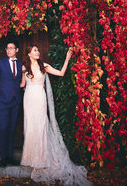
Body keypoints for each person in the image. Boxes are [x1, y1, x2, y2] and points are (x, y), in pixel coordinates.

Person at [20, 45, 91, 186]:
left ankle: (42, 160)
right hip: (28, 99)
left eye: (38, 50)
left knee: (41, 127)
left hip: (40, 98)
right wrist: (19, 75)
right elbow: (22, 85)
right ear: (28, 54)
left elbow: (61, 73)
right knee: (31, 128)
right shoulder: (24, 68)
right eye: (35, 50)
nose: (38, 52)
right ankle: (34, 160)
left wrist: (67, 59)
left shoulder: (44, 66)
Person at [0, 40, 23, 168]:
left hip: (15, 102)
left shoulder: (21, 64)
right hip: (3, 101)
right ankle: (3, 158)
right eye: (7, 48)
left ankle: (10, 157)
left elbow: (23, 80)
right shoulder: (0, 63)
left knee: (11, 129)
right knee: (3, 129)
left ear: (17, 50)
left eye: (12, 48)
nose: (9, 50)